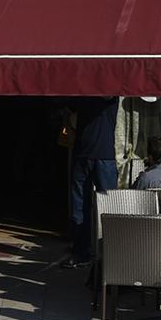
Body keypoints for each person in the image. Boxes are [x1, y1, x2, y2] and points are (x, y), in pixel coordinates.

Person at [69, 97, 120, 260]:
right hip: (100, 154)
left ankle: (86, 252)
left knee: (85, 205)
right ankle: (105, 253)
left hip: (88, 154)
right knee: (104, 205)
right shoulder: (107, 93)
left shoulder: (84, 89)